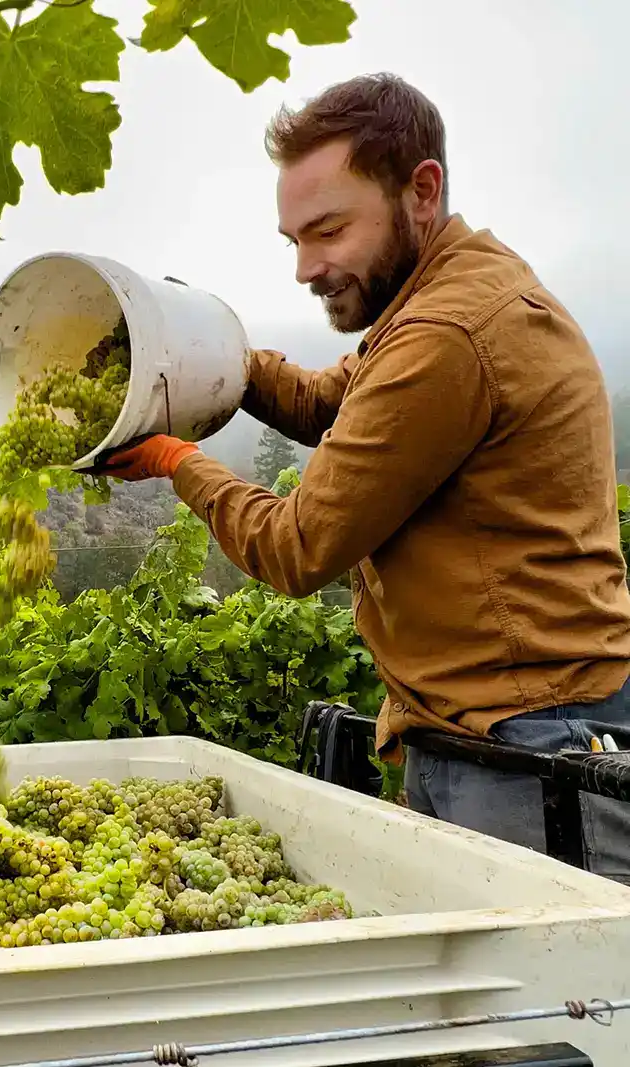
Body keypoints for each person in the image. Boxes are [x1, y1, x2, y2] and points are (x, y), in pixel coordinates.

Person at [100, 72, 630, 884]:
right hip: (496, 732)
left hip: (526, 753)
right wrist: (221, 361)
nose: (307, 267)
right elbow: (328, 401)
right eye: (294, 240)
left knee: (546, 1004)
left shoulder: (448, 333)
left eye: (330, 230)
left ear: (422, 189)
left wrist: (177, 459)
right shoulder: (450, 293)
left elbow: (299, 546)